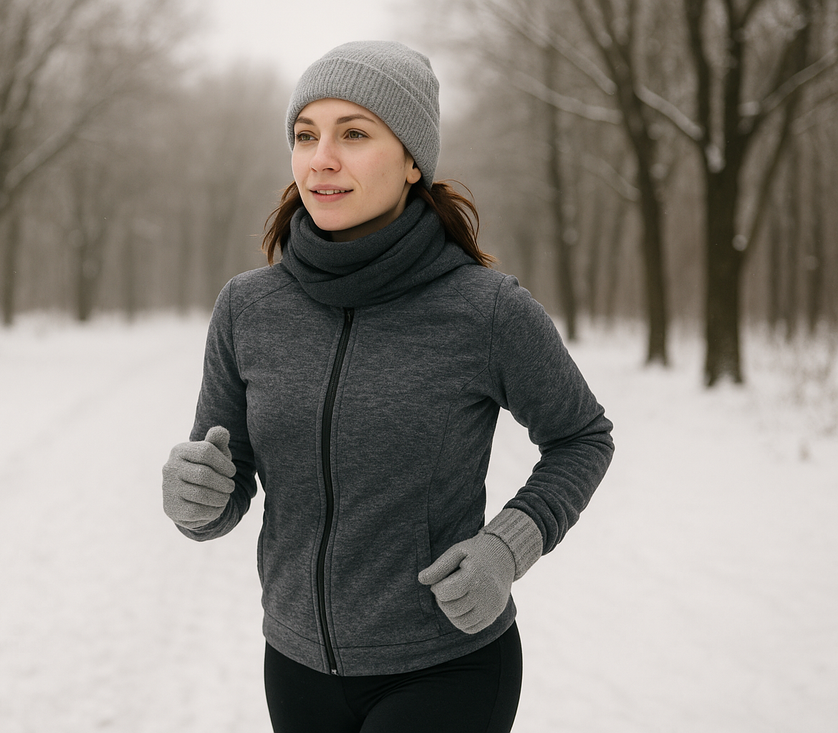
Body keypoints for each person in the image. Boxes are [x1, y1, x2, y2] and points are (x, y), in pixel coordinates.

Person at [161, 40, 613, 733]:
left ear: (411, 162)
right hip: (295, 663)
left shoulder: (486, 310)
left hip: (446, 664)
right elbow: (227, 484)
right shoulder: (248, 308)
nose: (323, 158)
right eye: (306, 135)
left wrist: (506, 546)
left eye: (354, 133)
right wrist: (195, 497)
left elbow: (582, 436)